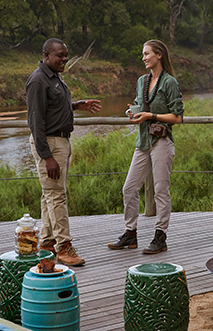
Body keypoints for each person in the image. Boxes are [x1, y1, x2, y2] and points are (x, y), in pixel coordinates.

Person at [27, 38, 102, 266]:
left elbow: (53, 108)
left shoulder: (54, 77)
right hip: (50, 144)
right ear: (47, 55)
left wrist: (76, 105)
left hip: (61, 142)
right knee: (56, 196)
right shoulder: (38, 81)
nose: (64, 59)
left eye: (66, 55)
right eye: (60, 55)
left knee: (50, 194)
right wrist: (47, 156)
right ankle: (64, 247)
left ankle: (47, 242)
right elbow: (36, 121)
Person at [107, 39, 184, 254]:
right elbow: (138, 104)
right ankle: (130, 234)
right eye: (143, 54)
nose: (143, 58)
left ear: (159, 55)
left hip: (161, 142)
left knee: (160, 190)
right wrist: (132, 113)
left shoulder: (170, 82)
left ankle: (160, 237)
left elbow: (177, 117)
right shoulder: (141, 81)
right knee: (129, 188)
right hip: (142, 143)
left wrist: (151, 116)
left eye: (147, 54)